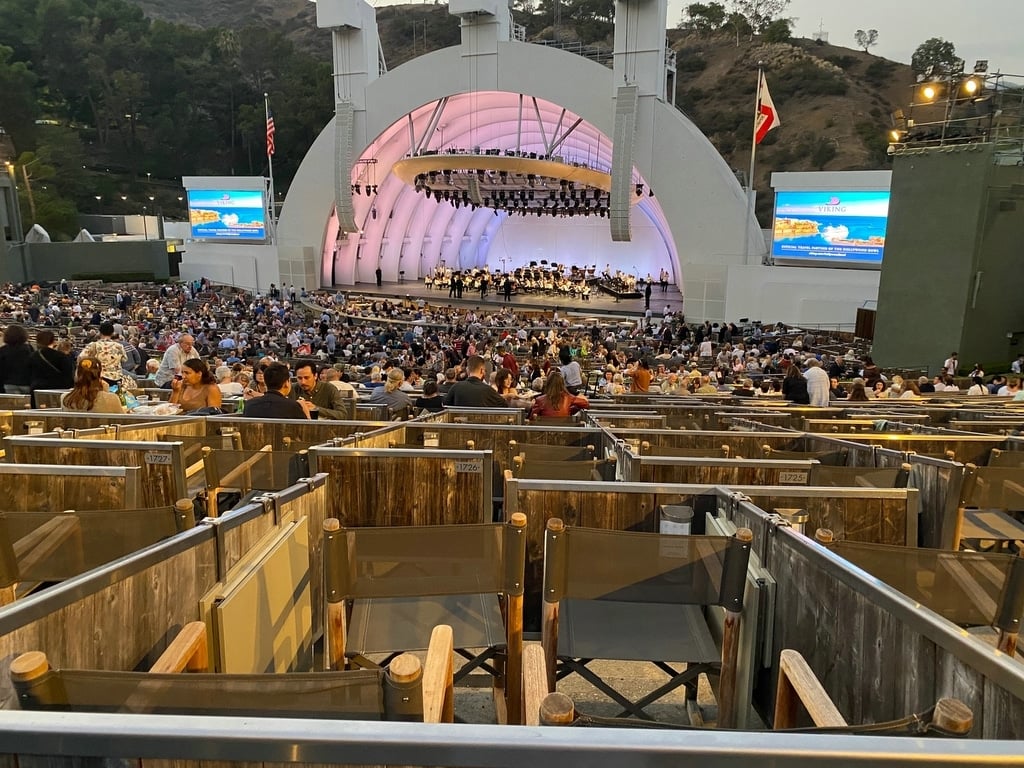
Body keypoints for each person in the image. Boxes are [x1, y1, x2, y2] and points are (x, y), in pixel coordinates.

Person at [243, 362, 309, 420]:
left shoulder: (249, 405)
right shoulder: (293, 407)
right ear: (286, 383)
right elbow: (307, 431)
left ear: (266, 382)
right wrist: (305, 411)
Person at [443, 355, 509, 408]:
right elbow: (504, 405)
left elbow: (445, 403)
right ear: (482, 370)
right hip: (482, 423)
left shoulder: (456, 387)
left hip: (459, 423)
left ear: (467, 370)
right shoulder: (488, 390)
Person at [28, 329, 74, 399]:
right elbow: (68, 375)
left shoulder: (33, 356)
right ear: (53, 341)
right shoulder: (61, 356)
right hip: (57, 390)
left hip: (37, 390)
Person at [83, 321, 127, 386]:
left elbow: (81, 357)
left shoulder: (93, 345)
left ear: (100, 333)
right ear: (112, 333)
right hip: (117, 379)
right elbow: (124, 359)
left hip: (99, 378)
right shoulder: (119, 346)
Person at [0, 324, 34, 395]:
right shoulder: (29, 348)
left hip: (9, 383)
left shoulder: (3, 350)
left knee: (11, 405)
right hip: (26, 383)